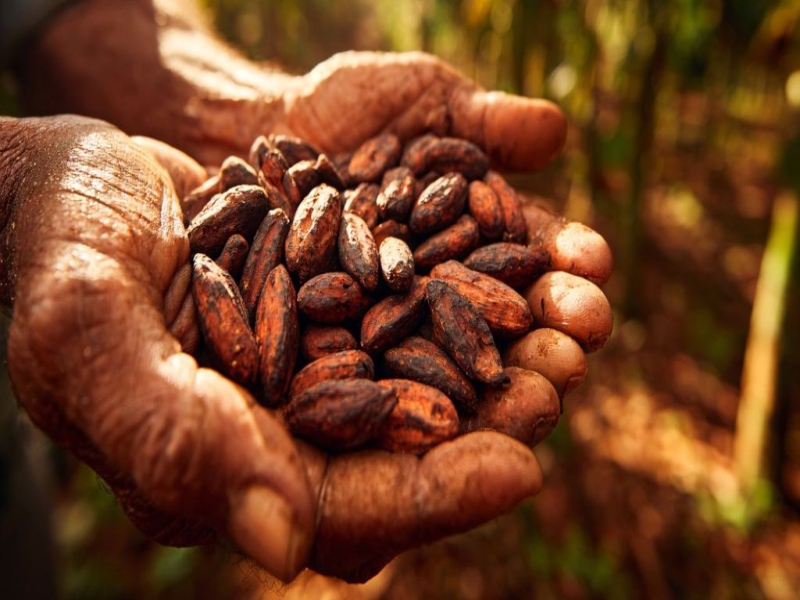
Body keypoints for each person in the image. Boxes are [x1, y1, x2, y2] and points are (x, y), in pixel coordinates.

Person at [0, 0, 611, 590]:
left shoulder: (381, 251)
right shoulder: (281, 260)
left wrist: (203, 111)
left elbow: (61, 13)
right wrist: (16, 188)